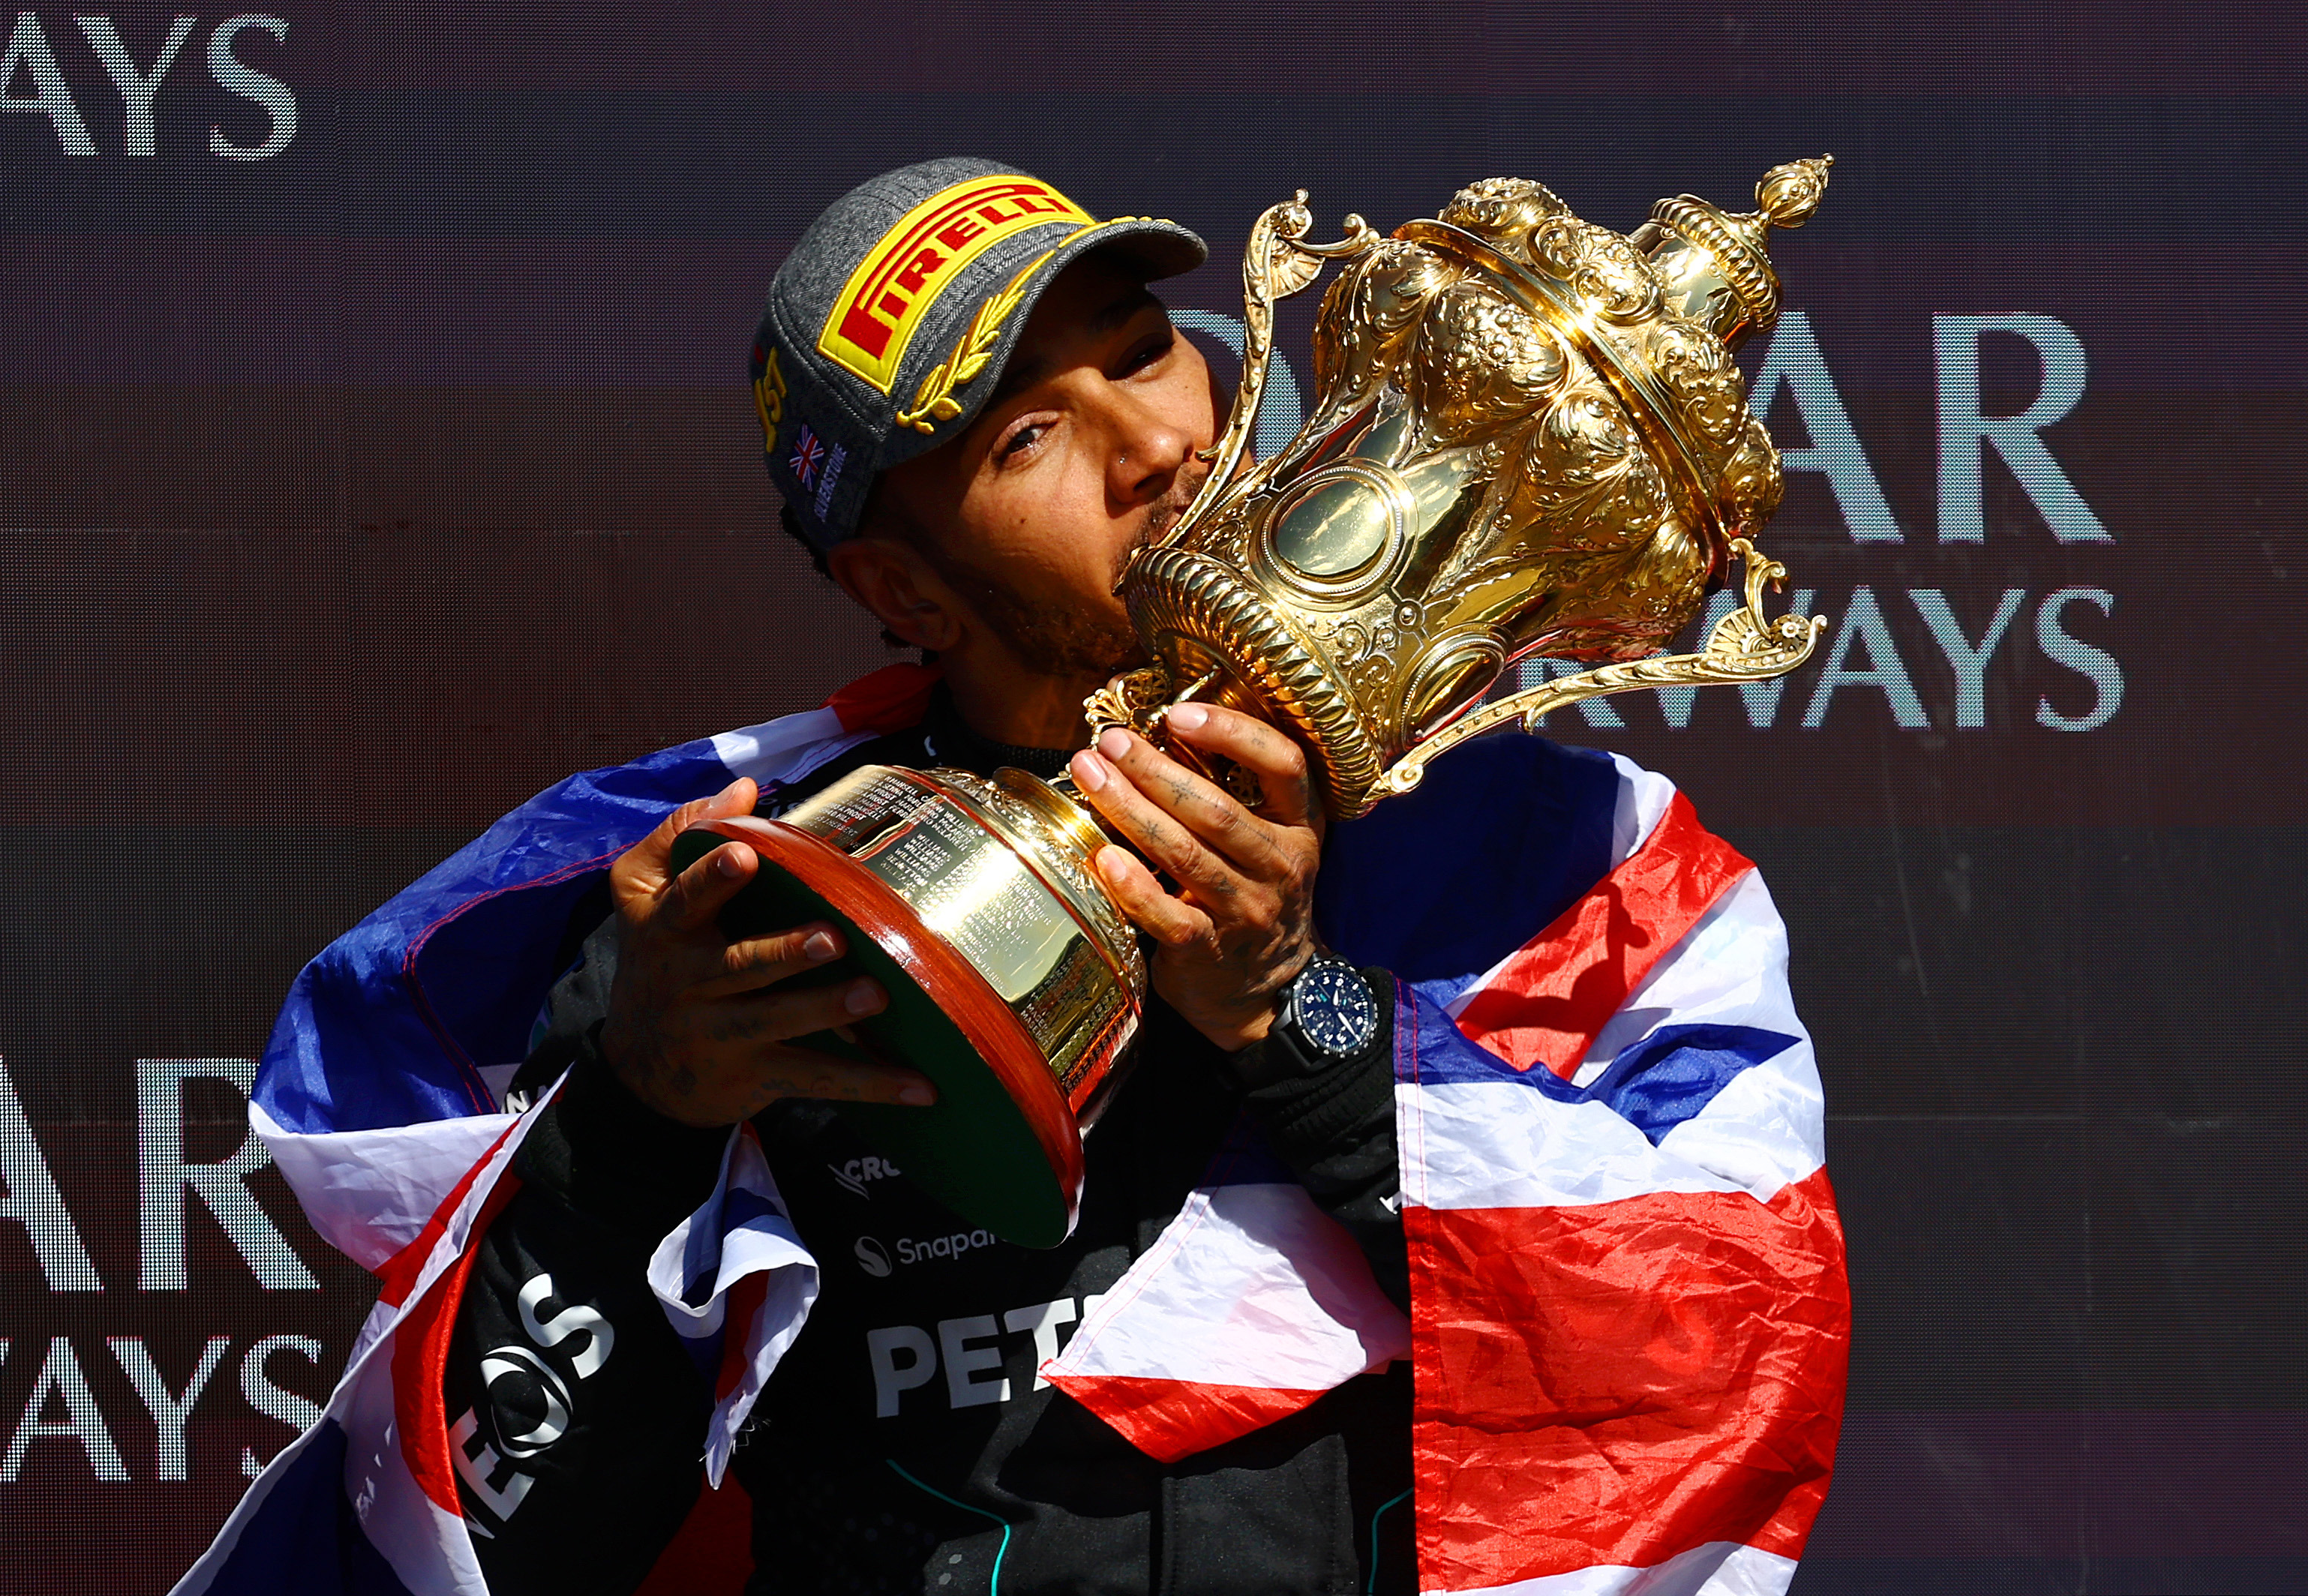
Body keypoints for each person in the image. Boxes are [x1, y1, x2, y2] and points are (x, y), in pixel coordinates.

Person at [182, 159, 1847, 1596]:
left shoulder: (1574, 872)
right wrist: (629, 1126)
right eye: (1031, 431)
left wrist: (1298, 1016)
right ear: (900, 581)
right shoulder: (755, 921)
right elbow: (498, 1541)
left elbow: (1716, 1367)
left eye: (1147, 356)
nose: (1158, 445)